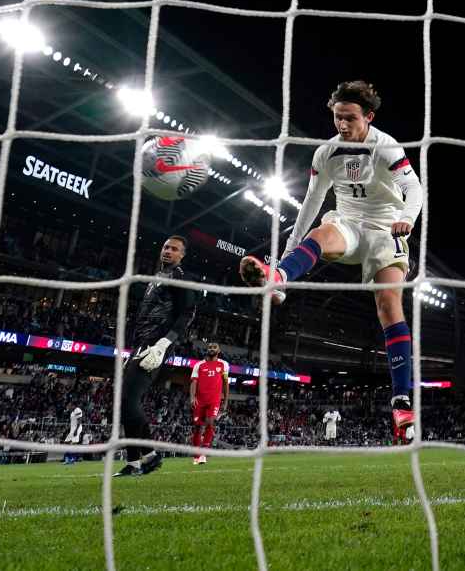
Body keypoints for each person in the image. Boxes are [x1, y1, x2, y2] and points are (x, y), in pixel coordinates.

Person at [239, 80, 424, 439]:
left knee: (388, 304)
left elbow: (413, 188)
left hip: (387, 228)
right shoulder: (325, 153)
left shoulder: (385, 146)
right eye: (338, 117)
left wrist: (409, 219)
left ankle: (402, 401)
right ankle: (279, 278)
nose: (342, 125)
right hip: (350, 224)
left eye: (350, 118)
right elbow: (311, 203)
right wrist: (283, 260)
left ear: (368, 116)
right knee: (321, 233)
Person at [113, 235, 196, 477]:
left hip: (156, 347)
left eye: (174, 249)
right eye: (165, 247)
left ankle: (145, 457)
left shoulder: (181, 277)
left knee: (128, 399)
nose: (168, 251)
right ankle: (140, 460)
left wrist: (163, 344)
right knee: (124, 401)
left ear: (182, 255)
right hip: (140, 346)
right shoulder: (156, 278)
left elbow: (187, 314)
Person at [189, 342, 230, 465]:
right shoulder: (199, 365)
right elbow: (193, 382)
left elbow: (225, 383)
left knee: (210, 423)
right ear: (207, 350)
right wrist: (192, 397)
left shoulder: (224, 364)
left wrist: (226, 400)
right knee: (197, 427)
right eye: (210, 347)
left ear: (219, 350)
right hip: (200, 400)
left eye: (214, 347)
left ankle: (204, 454)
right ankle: (196, 455)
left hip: (214, 400)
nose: (211, 349)